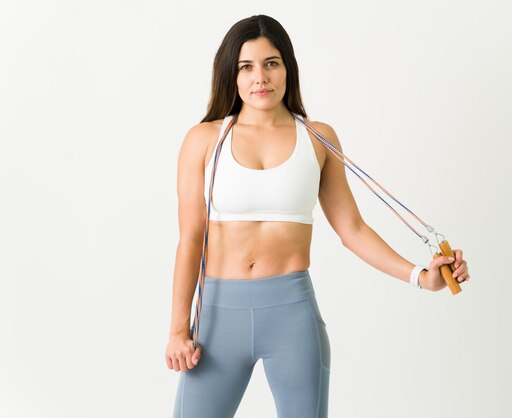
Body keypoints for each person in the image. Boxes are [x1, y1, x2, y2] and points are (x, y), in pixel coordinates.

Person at [165, 14, 470, 418]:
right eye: (247, 67)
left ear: (288, 68)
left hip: (291, 316)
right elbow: (190, 238)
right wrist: (176, 330)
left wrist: (420, 275)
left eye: (272, 63)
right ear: (231, 76)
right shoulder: (204, 140)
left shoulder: (317, 138)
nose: (261, 77)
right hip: (219, 320)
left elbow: (353, 230)